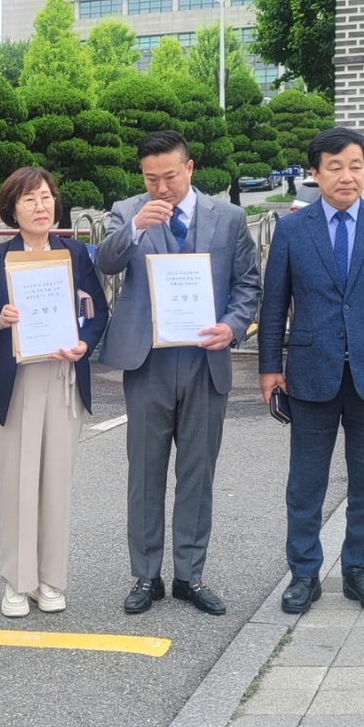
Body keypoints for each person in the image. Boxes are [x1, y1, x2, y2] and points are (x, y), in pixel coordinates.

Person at [95, 130, 261, 616]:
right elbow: (103, 261)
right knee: (145, 472)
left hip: (205, 358)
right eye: (151, 178)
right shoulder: (128, 211)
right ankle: (146, 575)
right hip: (148, 360)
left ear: (189, 169)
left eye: (169, 176)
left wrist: (233, 327)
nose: (161, 187)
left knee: (197, 471)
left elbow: (248, 282)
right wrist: (136, 229)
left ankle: (190, 575)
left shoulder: (227, 217)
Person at [257, 127, 364, 616]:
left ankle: (358, 570)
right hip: (310, 373)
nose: (347, 176)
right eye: (335, 166)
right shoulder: (292, 229)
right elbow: (274, 306)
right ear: (315, 174)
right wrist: (270, 368)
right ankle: (304, 574)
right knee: (305, 481)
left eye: (355, 165)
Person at [0, 167, 109, 618]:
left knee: (55, 481)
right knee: (14, 482)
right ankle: (17, 582)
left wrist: (84, 342)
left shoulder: (74, 252)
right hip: (15, 379)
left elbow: (97, 310)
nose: (41, 206)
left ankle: (50, 580)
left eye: (47, 198)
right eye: (30, 199)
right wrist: (1, 319)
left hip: (62, 375)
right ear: (12, 207)